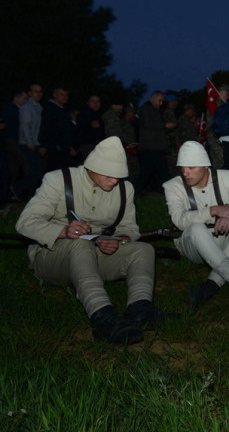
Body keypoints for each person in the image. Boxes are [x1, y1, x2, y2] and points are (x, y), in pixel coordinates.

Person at [15, 136, 173, 344]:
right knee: (79, 244)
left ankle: (140, 308)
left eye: (119, 176)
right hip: (53, 257)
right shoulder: (58, 180)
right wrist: (63, 230)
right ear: (91, 167)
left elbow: (129, 228)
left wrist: (117, 239)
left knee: (143, 250)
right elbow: (25, 223)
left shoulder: (125, 190)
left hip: (95, 256)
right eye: (109, 175)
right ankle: (102, 316)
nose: (114, 181)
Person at [162, 141, 229, 307]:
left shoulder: (227, 178)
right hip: (193, 246)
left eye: (191, 167)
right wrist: (213, 211)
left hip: (221, 240)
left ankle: (211, 285)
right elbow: (179, 220)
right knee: (196, 227)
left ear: (205, 166)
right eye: (182, 168)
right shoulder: (173, 186)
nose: (185, 173)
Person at [135, 91, 174, 196]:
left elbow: (156, 128)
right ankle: (172, 194)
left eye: (162, 101)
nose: (161, 103)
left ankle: (135, 194)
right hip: (151, 146)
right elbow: (148, 124)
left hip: (154, 147)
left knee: (146, 173)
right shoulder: (146, 109)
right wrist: (165, 125)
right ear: (152, 98)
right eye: (159, 100)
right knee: (163, 172)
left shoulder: (155, 110)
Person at [16, 84, 46, 199]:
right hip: (29, 143)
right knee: (34, 170)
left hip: (36, 143)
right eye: (35, 91)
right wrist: (30, 143)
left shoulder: (39, 107)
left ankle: (26, 192)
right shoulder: (28, 107)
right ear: (30, 93)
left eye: (40, 91)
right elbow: (25, 126)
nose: (39, 94)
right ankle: (19, 189)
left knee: (38, 169)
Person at [38, 86, 77, 172]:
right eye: (61, 94)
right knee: (51, 170)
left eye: (66, 95)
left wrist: (70, 146)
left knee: (64, 170)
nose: (64, 97)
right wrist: (44, 145)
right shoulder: (49, 109)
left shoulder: (65, 110)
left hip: (64, 147)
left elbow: (67, 130)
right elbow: (45, 127)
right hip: (54, 147)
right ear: (55, 95)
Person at [1, 90, 29, 195]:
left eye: (27, 98)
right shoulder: (10, 109)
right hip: (11, 140)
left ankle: (10, 191)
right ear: (16, 98)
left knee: (14, 166)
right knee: (25, 163)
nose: (26, 100)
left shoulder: (20, 109)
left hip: (15, 140)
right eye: (24, 98)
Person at [76, 94, 105, 162]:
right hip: (88, 147)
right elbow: (78, 128)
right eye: (93, 101)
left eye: (97, 101)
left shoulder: (98, 115)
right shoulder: (84, 113)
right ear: (88, 103)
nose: (95, 104)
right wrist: (89, 124)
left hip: (97, 147)